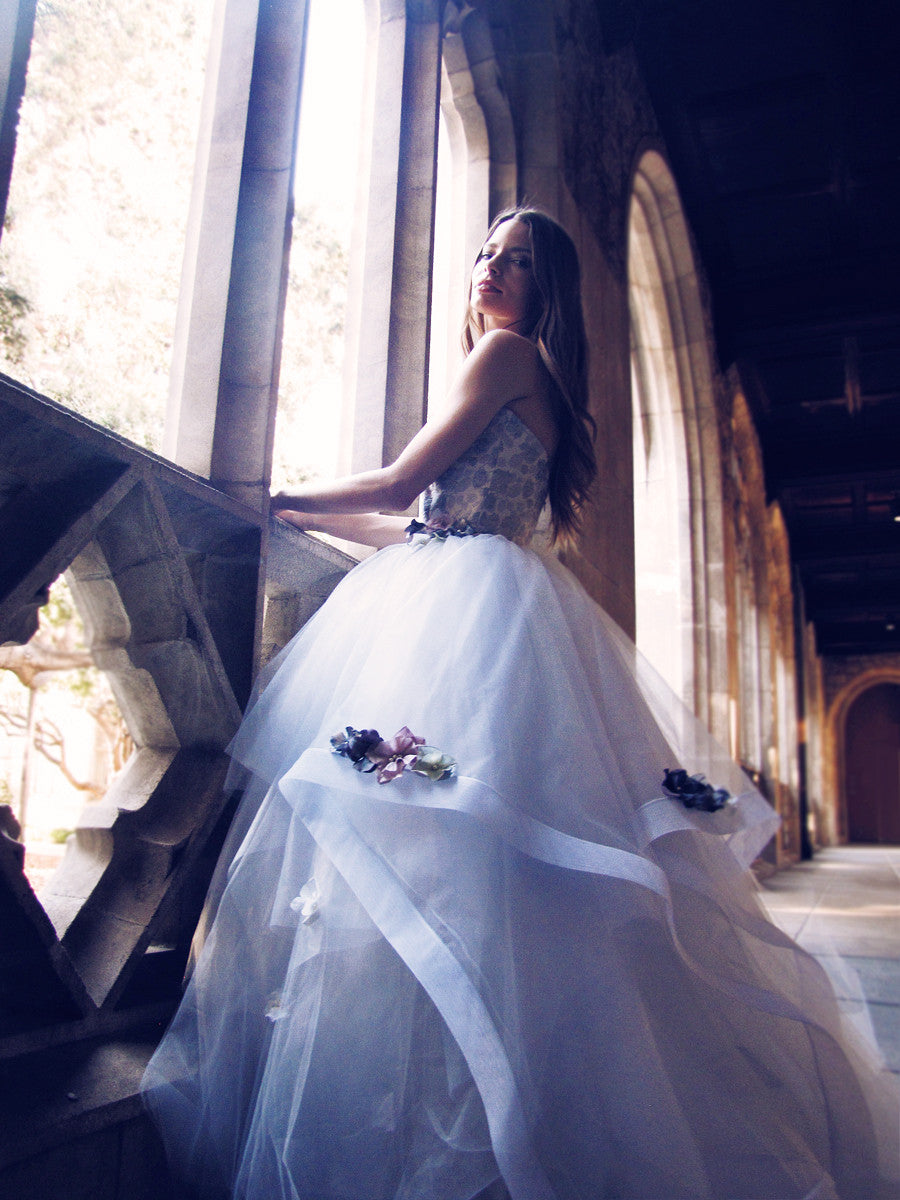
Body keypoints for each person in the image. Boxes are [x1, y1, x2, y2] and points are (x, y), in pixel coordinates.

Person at [142, 209, 899, 1200]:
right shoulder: (534, 379)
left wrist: (279, 503)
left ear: (548, 291)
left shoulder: (504, 354)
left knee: (438, 849)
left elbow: (404, 482)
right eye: (487, 253)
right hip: (475, 600)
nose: (492, 269)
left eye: (519, 260)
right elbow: (431, 519)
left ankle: (465, 1119)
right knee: (481, 868)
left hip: (466, 621)